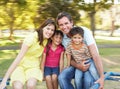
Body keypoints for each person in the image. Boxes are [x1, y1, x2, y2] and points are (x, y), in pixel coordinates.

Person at [0, 19, 56, 89]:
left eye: (52, 30)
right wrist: (5, 79)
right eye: (48, 28)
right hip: (20, 65)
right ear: (42, 28)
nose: (50, 32)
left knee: (31, 85)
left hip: (33, 66)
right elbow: (18, 58)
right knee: (18, 87)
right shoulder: (31, 38)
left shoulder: (46, 40)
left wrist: (42, 71)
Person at [56, 11, 104, 89]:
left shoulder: (84, 32)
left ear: (71, 22)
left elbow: (95, 55)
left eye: (66, 23)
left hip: (89, 61)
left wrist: (102, 77)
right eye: (61, 25)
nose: (64, 27)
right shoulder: (63, 38)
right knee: (62, 77)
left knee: (87, 80)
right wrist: (78, 66)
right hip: (76, 63)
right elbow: (70, 58)